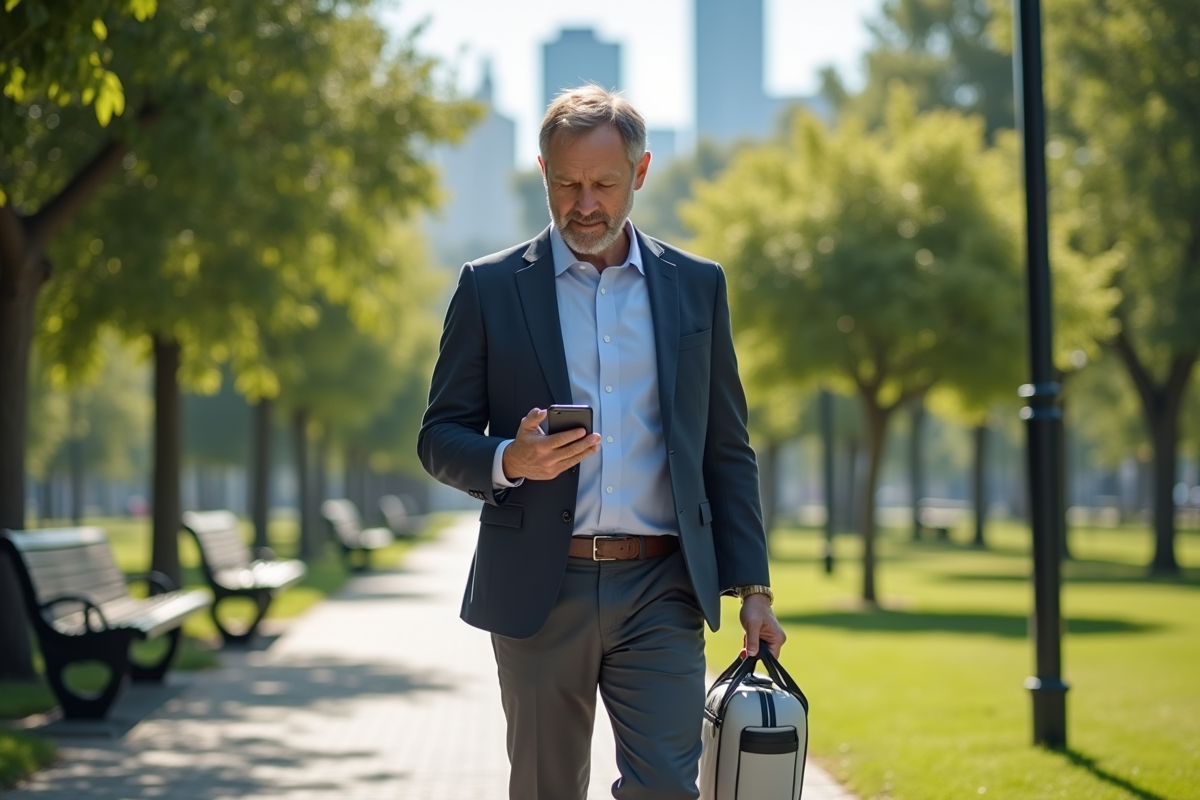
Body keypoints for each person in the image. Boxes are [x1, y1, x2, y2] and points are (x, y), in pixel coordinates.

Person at [417, 85, 786, 800]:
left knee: (667, 789)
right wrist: (508, 459)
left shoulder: (696, 286)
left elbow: (725, 447)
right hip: (538, 588)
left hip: (661, 588)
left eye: (604, 184)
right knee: (546, 788)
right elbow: (439, 436)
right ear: (543, 172)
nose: (584, 204)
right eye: (566, 183)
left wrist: (755, 589)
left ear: (640, 172)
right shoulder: (490, 287)